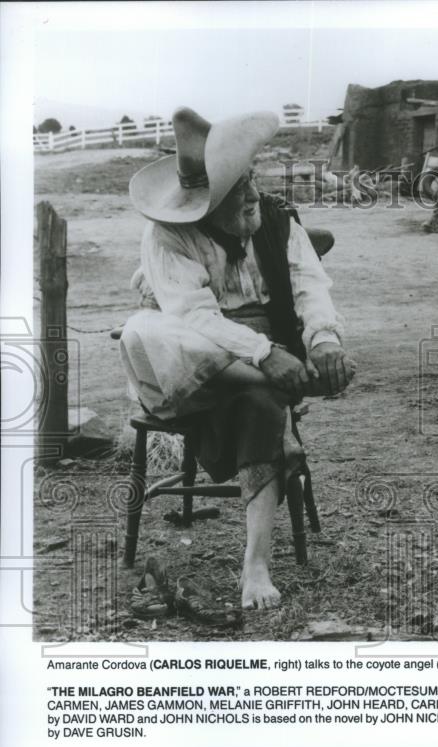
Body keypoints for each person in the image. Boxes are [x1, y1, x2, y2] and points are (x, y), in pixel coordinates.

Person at [120, 107, 356, 610]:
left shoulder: (275, 218)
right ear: (202, 207)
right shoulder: (168, 237)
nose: (252, 195)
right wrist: (265, 354)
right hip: (190, 363)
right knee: (153, 331)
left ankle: (256, 565)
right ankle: (285, 377)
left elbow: (309, 285)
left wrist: (323, 342)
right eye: (236, 191)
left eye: (250, 179)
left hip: (266, 361)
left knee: (261, 398)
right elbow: (194, 317)